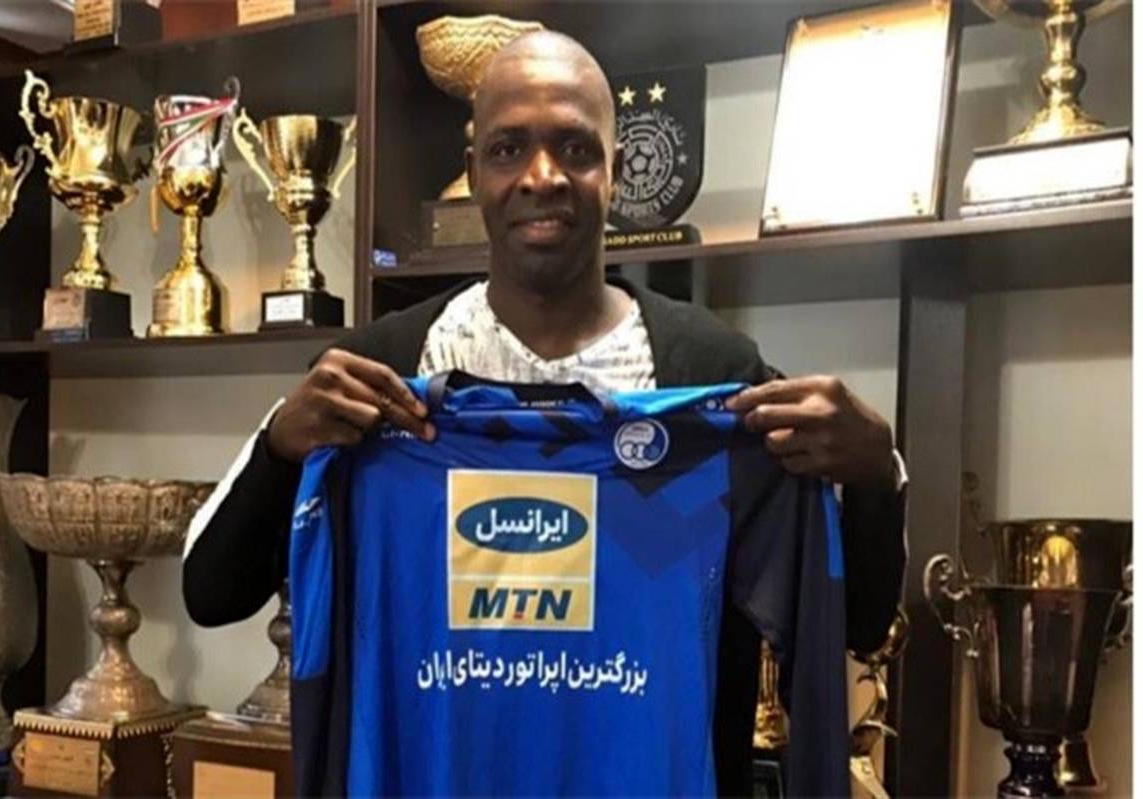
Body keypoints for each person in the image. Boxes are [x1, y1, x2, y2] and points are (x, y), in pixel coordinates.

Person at [183, 30, 906, 794]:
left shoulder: (713, 378)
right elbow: (210, 591)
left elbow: (857, 622)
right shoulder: (380, 377)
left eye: (575, 148)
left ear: (615, 172)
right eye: (508, 149)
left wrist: (874, 470)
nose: (542, 176)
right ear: (473, 172)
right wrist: (279, 445)